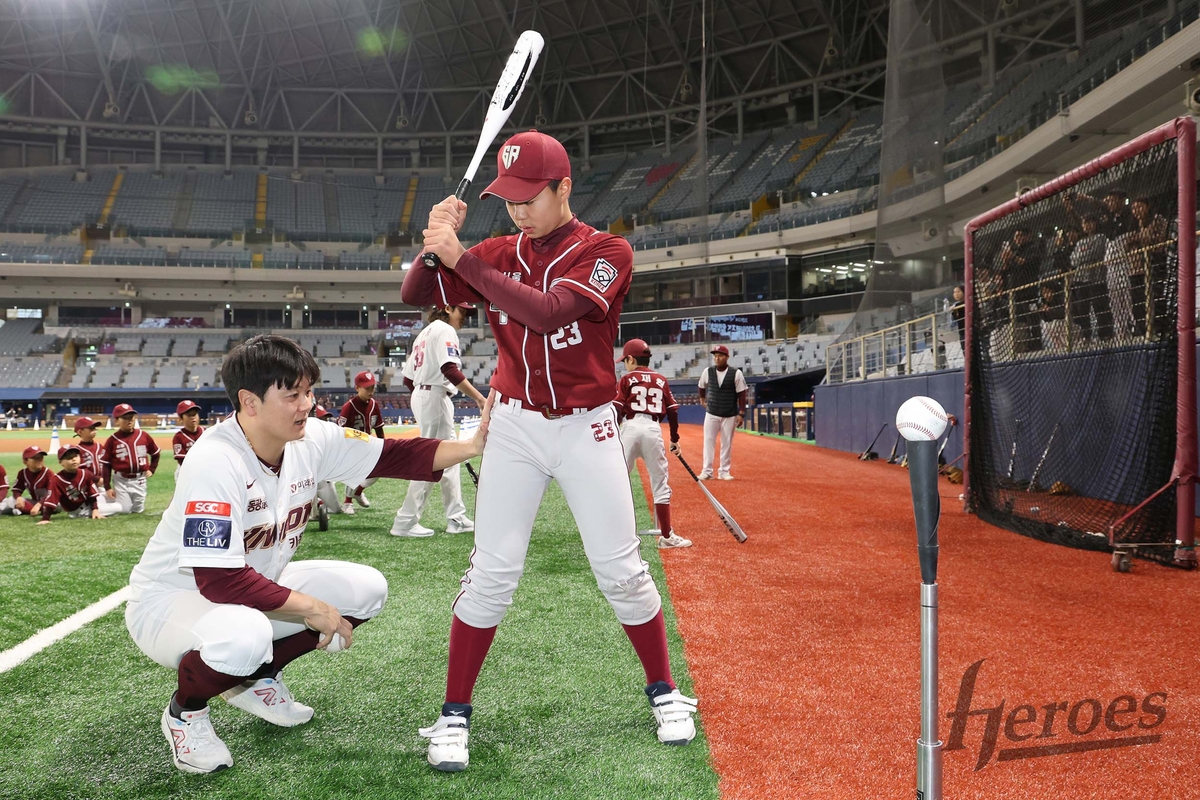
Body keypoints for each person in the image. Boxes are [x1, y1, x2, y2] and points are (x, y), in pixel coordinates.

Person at [402, 129, 699, 773]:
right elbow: (415, 297)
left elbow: (545, 311)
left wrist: (462, 259)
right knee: (490, 574)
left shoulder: (606, 251)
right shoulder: (496, 249)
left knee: (621, 569)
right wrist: (434, 249)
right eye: (506, 197)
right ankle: (454, 714)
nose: (515, 210)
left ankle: (665, 690)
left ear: (565, 188)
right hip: (512, 424)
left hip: (587, 424)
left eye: (528, 196)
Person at [124, 334, 490, 774]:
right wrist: (312, 608)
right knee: (245, 636)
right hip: (174, 600)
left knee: (366, 590)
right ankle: (186, 711)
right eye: (292, 394)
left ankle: (255, 679)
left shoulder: (310, 437)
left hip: (255, 590)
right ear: (250, 401)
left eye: (309, 392)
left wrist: (472, 446)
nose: (307, 405)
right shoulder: (215, 460)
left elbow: (392, 456)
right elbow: (217, 579)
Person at [392, 303, 485, 537]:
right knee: (431, 459)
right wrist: (480, 399)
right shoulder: (445, 329)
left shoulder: (425, 332)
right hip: (434, 395)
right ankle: (405, 520)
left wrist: (423, 392)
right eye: (461, 311)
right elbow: (449, 369)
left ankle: (456, 517)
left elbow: (407, 378)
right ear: (447, 308)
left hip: (425, 394)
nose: (465, 317)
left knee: (449, 458)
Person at [613, 338, 689, 549]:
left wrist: (613, 431)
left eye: (625, 360)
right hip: (653, 428)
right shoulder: (661, 379)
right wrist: (674, 439)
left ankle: (613, 537)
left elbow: (618, 407)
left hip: (629, 427)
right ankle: (666, 536)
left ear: (630, 358)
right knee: (660, 484)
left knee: (616, 481)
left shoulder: (626, 379)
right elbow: (673, 410)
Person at [337, 371, 386, 514]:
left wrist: (383, 445)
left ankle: (358, 491)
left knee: (378, 470)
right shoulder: (349, 406)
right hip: (351, 446)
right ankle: (347, 502)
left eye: (372, 388)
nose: (371, 391)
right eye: (367, 388)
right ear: (357, 388)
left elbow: (378, 426)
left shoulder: (374, 404)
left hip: (368, 445)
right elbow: (341, 431)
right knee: (355, 473)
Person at [697, 345, 747, 480]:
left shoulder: (736, 373)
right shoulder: (708, 371)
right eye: (715, 356)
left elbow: (742, 394)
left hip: (729, 413)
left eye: (720, 355)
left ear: (727, 357)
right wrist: (702, 400)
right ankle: (707, 471)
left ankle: (724, 471)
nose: (717, 358)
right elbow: (701, 386)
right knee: (708, 441)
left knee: (727, 443)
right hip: (712, 412)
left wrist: (741, 413)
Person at [102, 404, 160, 514]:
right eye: (124, 418)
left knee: (138, 510)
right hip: (121, 479)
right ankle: (99, 504)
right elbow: (106, 464)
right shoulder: (112, 440)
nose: (129, 421)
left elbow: (156, 453)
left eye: (131, 417)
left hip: (140, 479)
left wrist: (152, 469)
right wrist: (107, 486)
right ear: (117, 420)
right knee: (125, 509)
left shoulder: (143, 435)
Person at [53, 445, 120, 519]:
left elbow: (92, 494)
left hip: (89, 503)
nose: (73, 459)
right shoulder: (57, 479)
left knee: (116, 497)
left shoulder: (84, 472)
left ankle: (100, 506)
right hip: (82, 510)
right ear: (61, 462)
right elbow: (50, 498)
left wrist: (95, 508)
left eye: (75, 456)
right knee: (120, 507)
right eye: (69, 458)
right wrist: (45, 518)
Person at [0, 446, 57, 523]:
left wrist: (39, 505)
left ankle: (24, 510)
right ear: (25, 461)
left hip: (50, 501)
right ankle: (31, 510)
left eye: (41, 458)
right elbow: (17, 489)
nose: (39, 460)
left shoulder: (48, 473)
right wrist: (18, 497)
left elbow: (52, 493)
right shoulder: (22, 473)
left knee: (55, 505)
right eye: (35, 458)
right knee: (11, 500)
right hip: (35, 502)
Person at [311, 404, 345, 516]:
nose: (325, 421)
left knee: (335, 509)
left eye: (326, 418)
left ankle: (319, 503)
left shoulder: (329, 436)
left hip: (323, 478)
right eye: (322, 419)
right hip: (303, 480)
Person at [172, 400, 205, 477]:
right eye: (189, 415)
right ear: (181, 419)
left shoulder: (206, 432)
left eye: (194, 414)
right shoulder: (179, 437)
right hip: (186, 472)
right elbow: (181, 460)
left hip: (205, 469)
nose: (193, 417)